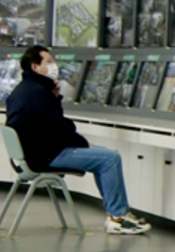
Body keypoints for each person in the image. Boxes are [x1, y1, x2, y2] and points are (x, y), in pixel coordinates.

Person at [4, 45, 150, 234]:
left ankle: (117, 214)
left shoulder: (23, 90)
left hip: (30, 155)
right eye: (49, 62)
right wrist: (83, 143)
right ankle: (118, 217)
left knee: (105, 156)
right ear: (35, 67)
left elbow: (47, 124)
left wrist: (54, 98)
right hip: (46, 155)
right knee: (110, 159)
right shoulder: (38, 93)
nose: (54, 65)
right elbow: (59, 128)